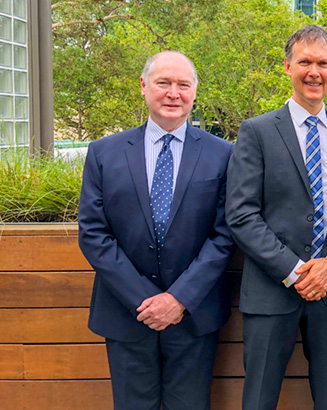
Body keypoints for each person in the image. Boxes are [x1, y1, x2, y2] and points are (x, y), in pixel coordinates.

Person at [78, 51, 236, 410]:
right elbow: (93, 233)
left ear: (195, 91)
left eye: (183, 84)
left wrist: (178, 299)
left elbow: (225, 234)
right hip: (126, 314)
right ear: (144, 85)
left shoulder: (224, 154)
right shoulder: (103, 153)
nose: (173, 93)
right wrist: (145, 301)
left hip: (194, 315)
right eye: (164, 83)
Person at [225, 25, 327, 410]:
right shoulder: (256, 132)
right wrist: (294, 270)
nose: (314, 72)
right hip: (271, 289)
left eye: (323, 63)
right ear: (288, 67)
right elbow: (241, 214)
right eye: (305, 62)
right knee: (258, 399)